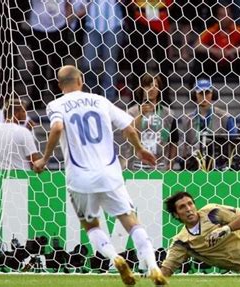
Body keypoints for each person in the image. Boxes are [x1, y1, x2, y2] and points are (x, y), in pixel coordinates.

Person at [32, 66, 167, 286]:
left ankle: (115, 258)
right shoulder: (100, 100)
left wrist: (44, 159)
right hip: (109, 173)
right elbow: (129, 127)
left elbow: (56, 128)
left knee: (92, 226)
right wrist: (140, 149)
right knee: (131, 221)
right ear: (81, 80)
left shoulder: (56, 104)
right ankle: (153, 266)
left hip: (79, 177)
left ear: (59, 85)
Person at [190, 3, 240, 91]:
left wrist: (232, 51)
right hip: (215, 64)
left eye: (226, 15)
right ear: (217, 17)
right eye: (221, 15)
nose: (224, 18)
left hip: (232, 64)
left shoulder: (237, 29)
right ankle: (196, 89)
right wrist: (213, 51)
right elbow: (197, 45)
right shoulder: (212, 30)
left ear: (231, 16)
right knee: (200, 57)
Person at [121, 74, 179, 170]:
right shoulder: (132, 112)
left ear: (159, 90)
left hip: (160, 168)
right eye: (148, 85)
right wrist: (141, 115)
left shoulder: (168, 114)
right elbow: (125, 135)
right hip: (135, 167)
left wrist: (171, 164)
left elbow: (174, 141)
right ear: (142, 88)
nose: (152, 89)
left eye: (155, 86)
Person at [180, 79, 236, 170]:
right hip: (195, 166)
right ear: (195, 95)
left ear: (213, 94)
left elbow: (235, 143)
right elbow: (182, 147)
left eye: (207, 93)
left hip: (220, 166)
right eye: (201, 93)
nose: (204, 96)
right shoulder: (187, 119)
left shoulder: (225, 117)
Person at [0, 98, 41, 170]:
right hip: (20, 178)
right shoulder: (23, 132)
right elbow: (35, 162)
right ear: (16, 113)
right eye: (24, 111)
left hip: (0, 176)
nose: (26, 114)